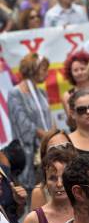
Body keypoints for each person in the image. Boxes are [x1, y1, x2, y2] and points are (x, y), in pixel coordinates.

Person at [17, 150, 76, 223]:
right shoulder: (34, 219)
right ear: (45, 183)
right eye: (52, 178)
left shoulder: (87, 213)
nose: (59, 184)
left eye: (64, 177)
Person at [7, 53, 53, 191]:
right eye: (44, 69)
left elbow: (50, 118)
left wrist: (54, 135)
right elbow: (23, 123)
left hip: (47, 148)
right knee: (32, 192)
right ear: (34, 68)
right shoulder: (15, 93)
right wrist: (46, 136)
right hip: (29, 154)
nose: (46, 73)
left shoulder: (41, 93)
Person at [61, 51, 89, 120]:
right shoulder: (67, 96)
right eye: (75, 70)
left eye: (83, 69)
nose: (79, 72)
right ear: (70, 73)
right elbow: (71, 121)